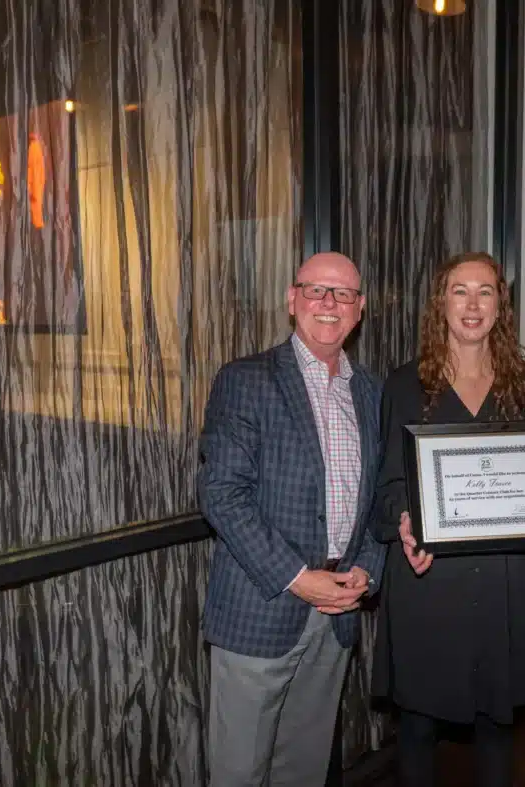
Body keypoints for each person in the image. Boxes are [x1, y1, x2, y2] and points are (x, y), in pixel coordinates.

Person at [371, 251, 525, 787]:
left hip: (504, 583)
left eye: (484, 291)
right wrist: (404, 522)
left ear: (500, 306)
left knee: (496, 728)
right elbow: (390, 484)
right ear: (440, 302)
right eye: (459, 290)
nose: (471, 303)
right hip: (427, 580)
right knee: (417, 729)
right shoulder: (402, 385)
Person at [197, 251, 387, 787]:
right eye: (316, 290)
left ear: (360, 309)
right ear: (291, 298)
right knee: (240, 772)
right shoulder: (245, 379)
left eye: (343, 293)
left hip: (336, 616)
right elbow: (221, 494)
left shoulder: (370, 392)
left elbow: (377, 499)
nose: (329, 303)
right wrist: (300, 580)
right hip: (262, 609)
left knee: (302, 771)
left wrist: (367, 570)